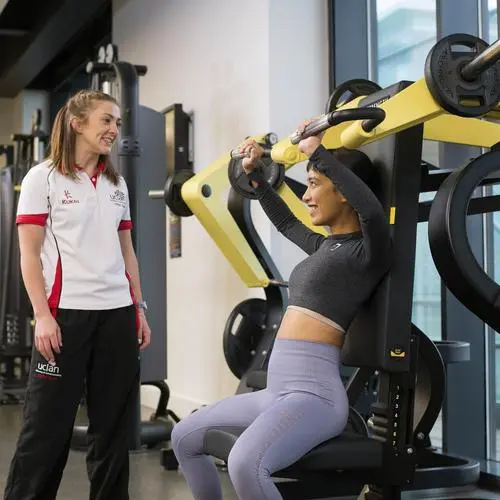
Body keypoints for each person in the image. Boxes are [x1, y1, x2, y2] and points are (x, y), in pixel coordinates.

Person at [171, 119, 392, 500]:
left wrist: (318, 153)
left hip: (316, 397)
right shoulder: (326, 247)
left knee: (244, 463)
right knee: (184, 436)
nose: (306, 196)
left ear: (342, 192)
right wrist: (256, 176)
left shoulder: (367, 251)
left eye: (313, 185)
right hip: (278, 391)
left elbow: (371, 211)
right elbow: (286, 222)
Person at [3, 89, 152, 500]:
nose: (114, 130)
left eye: (117, 123)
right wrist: (42, 316)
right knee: (46, 428)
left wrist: (138, 308)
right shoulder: (43, 178)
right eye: (106, 120)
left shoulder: (115, 184)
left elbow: (127, 253)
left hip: (117, 315)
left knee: (113, 429)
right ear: (77, 123)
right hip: (66, 318)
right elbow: (28, 255)